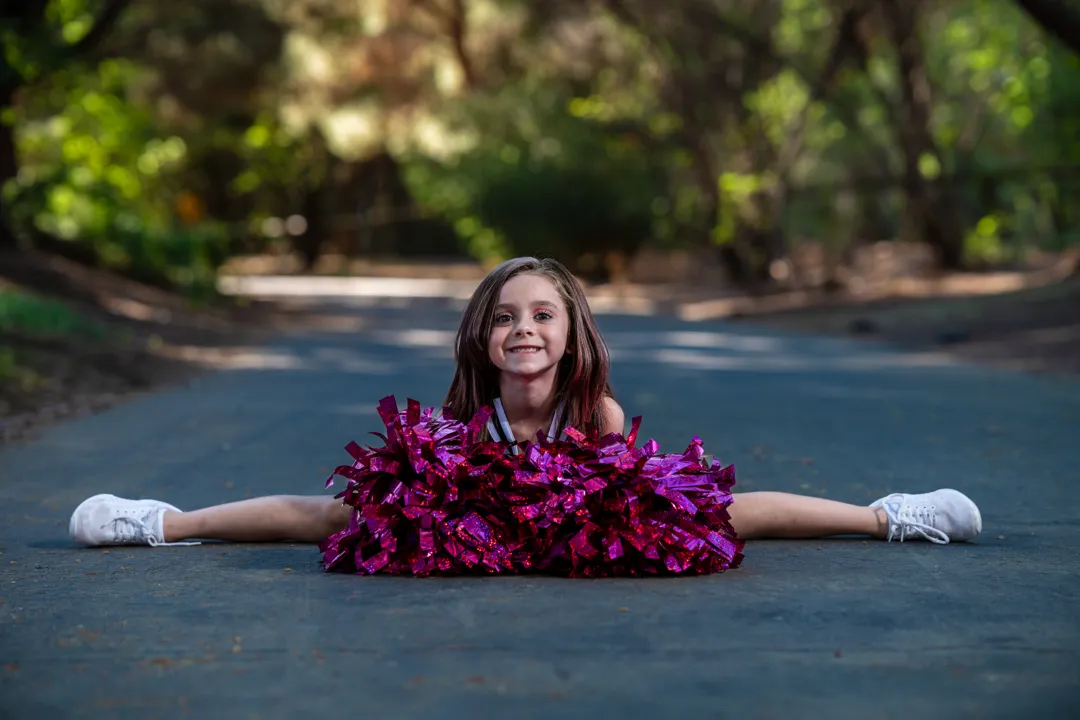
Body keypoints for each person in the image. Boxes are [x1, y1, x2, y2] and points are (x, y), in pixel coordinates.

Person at [68, 256, 982, 559]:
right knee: (333, 515)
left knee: (724, 512)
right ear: (481, 339)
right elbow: (421, 491)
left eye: (543, 315)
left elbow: (634, 501)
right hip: (471, 534)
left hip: (582, 534)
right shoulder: (460, 423)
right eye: (505, 318)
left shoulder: (600, 415)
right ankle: (163, 523)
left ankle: (889, 516)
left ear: (571, 336)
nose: (523, 330)